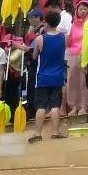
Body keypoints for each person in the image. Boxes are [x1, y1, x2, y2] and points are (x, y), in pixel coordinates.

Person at [30, 10, 68, 142]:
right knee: (55, 105)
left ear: (46, 23)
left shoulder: (40, 39)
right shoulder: (64, 37)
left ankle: (37, 133)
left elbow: (34, 56)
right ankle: (56, 132)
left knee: (41, 106)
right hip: (58, 76)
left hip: (43, 78)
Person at [64, 0, 88, 117]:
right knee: (71, 81)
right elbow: (68, 41)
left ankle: (84, 106)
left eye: (85, 9)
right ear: (77, 11)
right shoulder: (72, 25)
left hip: (85, 55)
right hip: (73, 55)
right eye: (81, 9)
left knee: (83, 82)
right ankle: (73, 106)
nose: (83, 11)